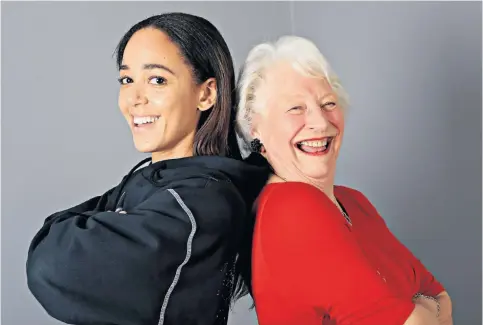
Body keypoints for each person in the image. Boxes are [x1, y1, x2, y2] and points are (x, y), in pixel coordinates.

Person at [26, 13, 269, 325]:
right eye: (127, 80)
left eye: (157, 80)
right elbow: (51, 233)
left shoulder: (201, 201)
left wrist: (102, 223)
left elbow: (49, 265)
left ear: (206, 94)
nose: (134, 99)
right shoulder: (155, 180)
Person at [235, 36, 453, 325]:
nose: (321, 123)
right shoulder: (290, 207)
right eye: (295, 109)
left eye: (328, 103)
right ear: (254, 127)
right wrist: (422, 306)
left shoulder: (354, 202)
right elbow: (427, 313)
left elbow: (443, 298)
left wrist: (424, 309)